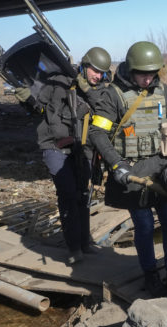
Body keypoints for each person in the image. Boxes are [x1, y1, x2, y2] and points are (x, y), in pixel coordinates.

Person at [89, 41, 167, 298]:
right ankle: (151, 276)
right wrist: (117, 165)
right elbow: (98, 133)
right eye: (143, 74)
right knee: (145, 225)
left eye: (152, 74)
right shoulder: (112, 95)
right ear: (131, 69)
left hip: (162, 167)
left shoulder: (163, 90)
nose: (148, 79)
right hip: (134, 172)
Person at [17, 46, 112, 265]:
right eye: (95, 71)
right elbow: (38, 107)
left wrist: (86, 88)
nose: (98, 76)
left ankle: (85, 243)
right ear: (85, 66)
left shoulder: (100, 91)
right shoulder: (58, 81)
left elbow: (103, 108)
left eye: (102, 73)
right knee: (68, 193)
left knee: (83, 195)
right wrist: (25, 99)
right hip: (55, 146)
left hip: (83, 148)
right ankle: (73, 248)